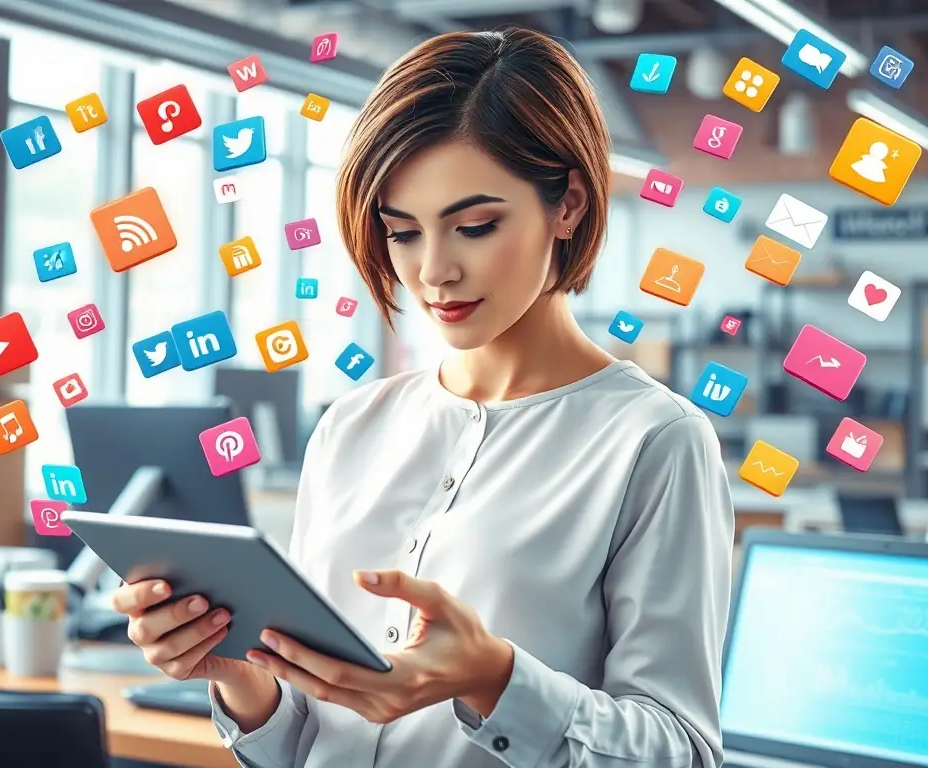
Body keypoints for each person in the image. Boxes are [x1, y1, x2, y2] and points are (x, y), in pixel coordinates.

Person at [112, 27, 735, 768]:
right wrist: (247, 685)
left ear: (567, 204)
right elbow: (310, 745)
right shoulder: (350, 428)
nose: (433, 271)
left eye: (475, 226)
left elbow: (685, 752)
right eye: (403, 232)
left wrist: (496, 679)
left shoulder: (654, 441)